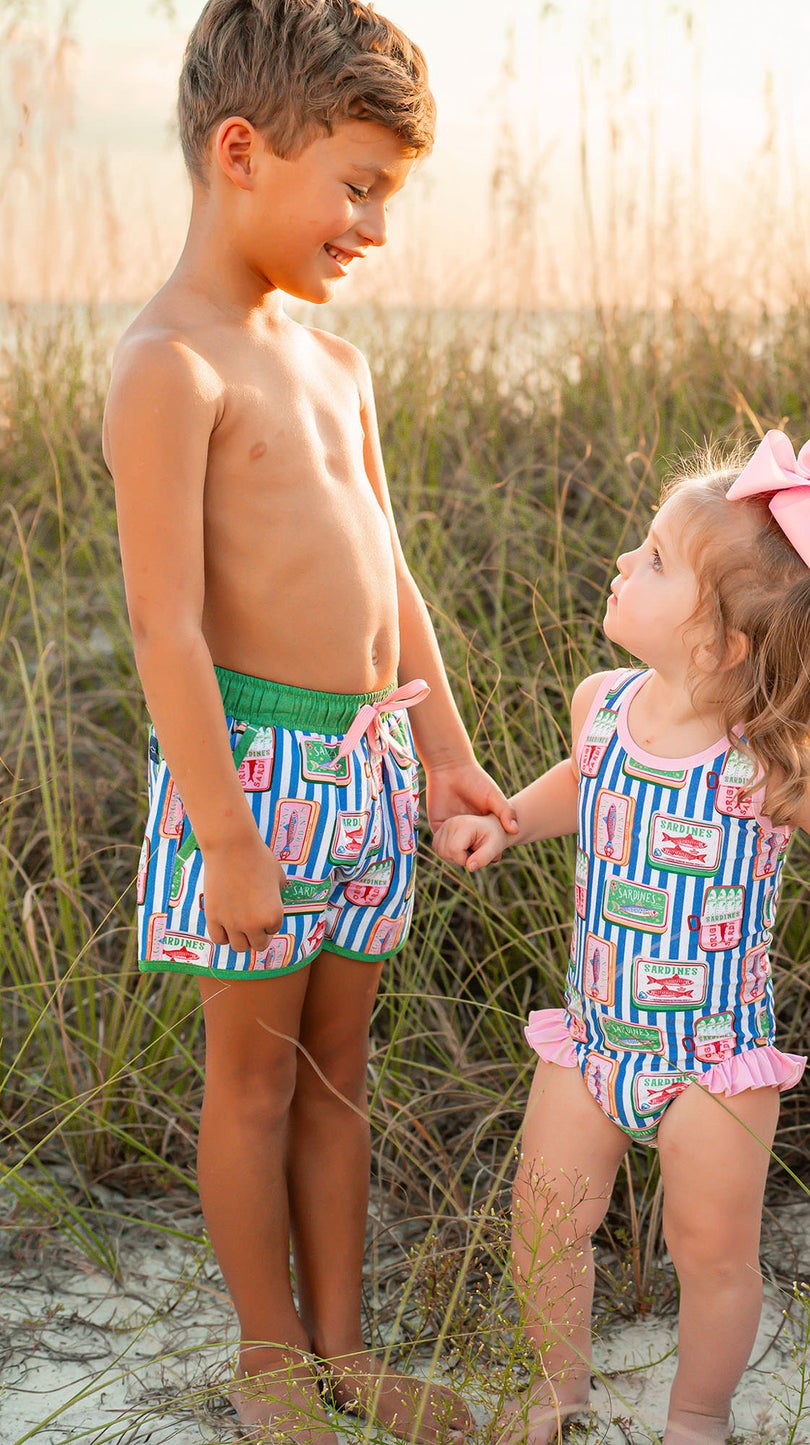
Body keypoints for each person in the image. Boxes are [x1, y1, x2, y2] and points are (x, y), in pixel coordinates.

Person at [103, 3, 514, 1440]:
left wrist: (450, 756)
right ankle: (268, 1358)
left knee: (339, 1077)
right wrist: (223, 833)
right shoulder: (171, 367)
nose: (374, 229)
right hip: (252, 773)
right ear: (239, 153)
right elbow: (168, 629)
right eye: (357, 187)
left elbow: (389, 573)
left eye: (386, 196)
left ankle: (348, 1352)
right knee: (254, 1081)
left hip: (367, 762)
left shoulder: (336, 365)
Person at [436, 424, 810, 1444]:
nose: (623, 559)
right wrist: (510, 818)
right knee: (545, 1221)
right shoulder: (602, 706)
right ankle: (549, 1390)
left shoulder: (775, 761)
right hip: (592, 1036)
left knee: (710, 1251)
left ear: (721, 644)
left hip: (714, 1059)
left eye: (653, 559)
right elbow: (586, 783)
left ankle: (696, 1415)